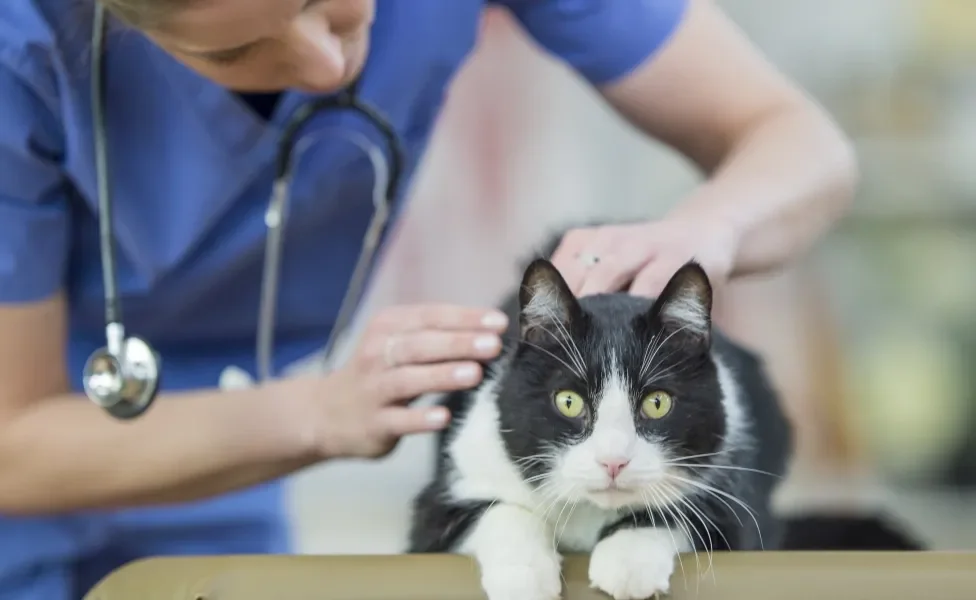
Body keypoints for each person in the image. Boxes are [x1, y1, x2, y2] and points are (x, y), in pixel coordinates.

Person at [0, 0, 857, 597]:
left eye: (329, 0)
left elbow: (805, 146)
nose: (327, 64)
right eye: (232, 54)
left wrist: (711, 230)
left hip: (222, 489)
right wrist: (318, 415)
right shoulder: (18, 43)